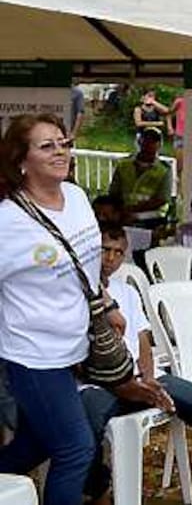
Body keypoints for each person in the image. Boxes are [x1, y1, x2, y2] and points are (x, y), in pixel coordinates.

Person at [82, 226, 192, 505]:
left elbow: (143, 339)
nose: (111, 259)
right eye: (105, 250)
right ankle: (98, 490)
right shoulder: (77, 292)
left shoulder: (126, 292)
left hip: (140, 378)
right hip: (98, 384)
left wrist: (147, 377)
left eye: (118, 252)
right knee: (85, 424)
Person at [0, 114, 106, 505]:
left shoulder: (76, 197)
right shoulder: (7, 220)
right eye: (47, 146)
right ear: (21, 160)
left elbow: (88, 266)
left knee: (35, 445)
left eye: (64, 143)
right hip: (33, 356)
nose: (60, 151)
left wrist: (106, 306)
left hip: (74, 348)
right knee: (75, 449)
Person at [108, 126, 171, 228]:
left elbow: (162, 199)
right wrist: (120, 210)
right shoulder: (124, 165)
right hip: (124, 212)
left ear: (159, 145)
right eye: (146, 139)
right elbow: (113, 193)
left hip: (152, 216)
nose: (149, 144)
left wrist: (133, 210)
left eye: (153, 141)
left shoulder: (164, 169)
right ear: (139, 142)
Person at [169, 94, 187, 177]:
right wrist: (170, 127)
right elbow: (169, 113)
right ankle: (177, 179)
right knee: (179, 164)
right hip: (180, 134)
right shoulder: (180, 101)